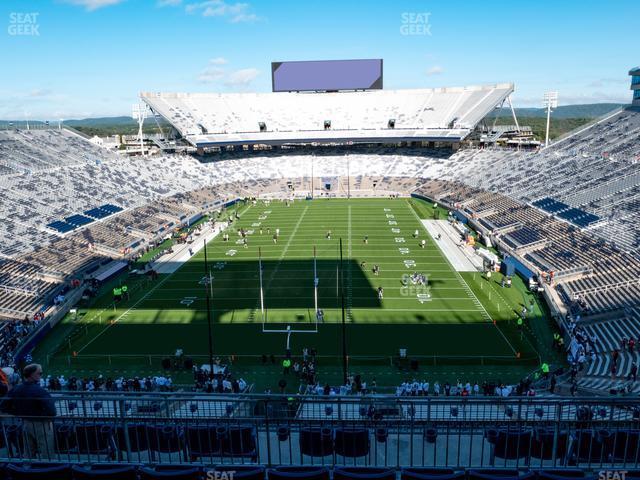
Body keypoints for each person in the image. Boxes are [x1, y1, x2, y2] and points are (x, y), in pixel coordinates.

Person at [1, 364, 57, 459]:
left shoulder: (17, 389)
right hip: (42, 424)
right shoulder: (39, 391)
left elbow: (3, 405)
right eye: (39, 373)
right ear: (32, 375)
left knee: (28, 453)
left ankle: (28, 472)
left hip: (26, 423)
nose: (41, 375)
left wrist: (18, 413)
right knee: (47, 453)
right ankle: (49, 471)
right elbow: (52, 411)